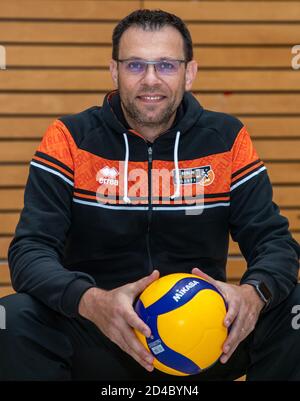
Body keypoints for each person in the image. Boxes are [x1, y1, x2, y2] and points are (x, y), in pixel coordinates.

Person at [0, 9, 299, 381]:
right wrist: (93, 302)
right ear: (114, 71)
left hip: (205, 339)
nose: (151, 80)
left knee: (294, 308)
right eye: (136, 65)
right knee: (10, 320)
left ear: (190, 73)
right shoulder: (69, 138)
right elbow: (29, 252)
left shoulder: (226, 139)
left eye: (167, 66)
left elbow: (275, 242)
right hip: (99, 332)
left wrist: (254, 295)